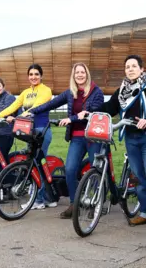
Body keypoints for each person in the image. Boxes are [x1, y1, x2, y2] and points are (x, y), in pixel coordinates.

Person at [81, 54, 146, 226]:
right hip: (131, 138)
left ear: (142, 69)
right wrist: (91, 112)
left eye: (134, 66)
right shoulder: (122, 92)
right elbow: (109, 108)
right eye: (127, 67)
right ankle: (145, 212)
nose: (130, 69)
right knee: (139, 178)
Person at [28, 62, 104, 219]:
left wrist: (72, 118)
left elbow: (94, 112)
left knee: (95, 169)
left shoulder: (96, 92)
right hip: (76, 137)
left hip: (93, 137)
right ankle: (74, 203)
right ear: (73, 75)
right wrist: (31, 112)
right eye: (77, 73)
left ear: (87, 74)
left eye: (82, 72)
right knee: (69, 169)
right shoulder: (71, 92)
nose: (80, 75)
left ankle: (96, 203)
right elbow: (50, 104)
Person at [0, 64, 55, 209]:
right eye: (31, 74)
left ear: (41, 76)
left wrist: (16, 118)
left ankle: (39, 200)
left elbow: (36, 107)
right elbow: (12, 106)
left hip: (42, 130)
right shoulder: (25, 92)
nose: (33, 77)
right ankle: (48, 197)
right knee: (33, 163)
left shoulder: (46, 90)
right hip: (29, 131)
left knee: (38, 164)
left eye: (36, 74)